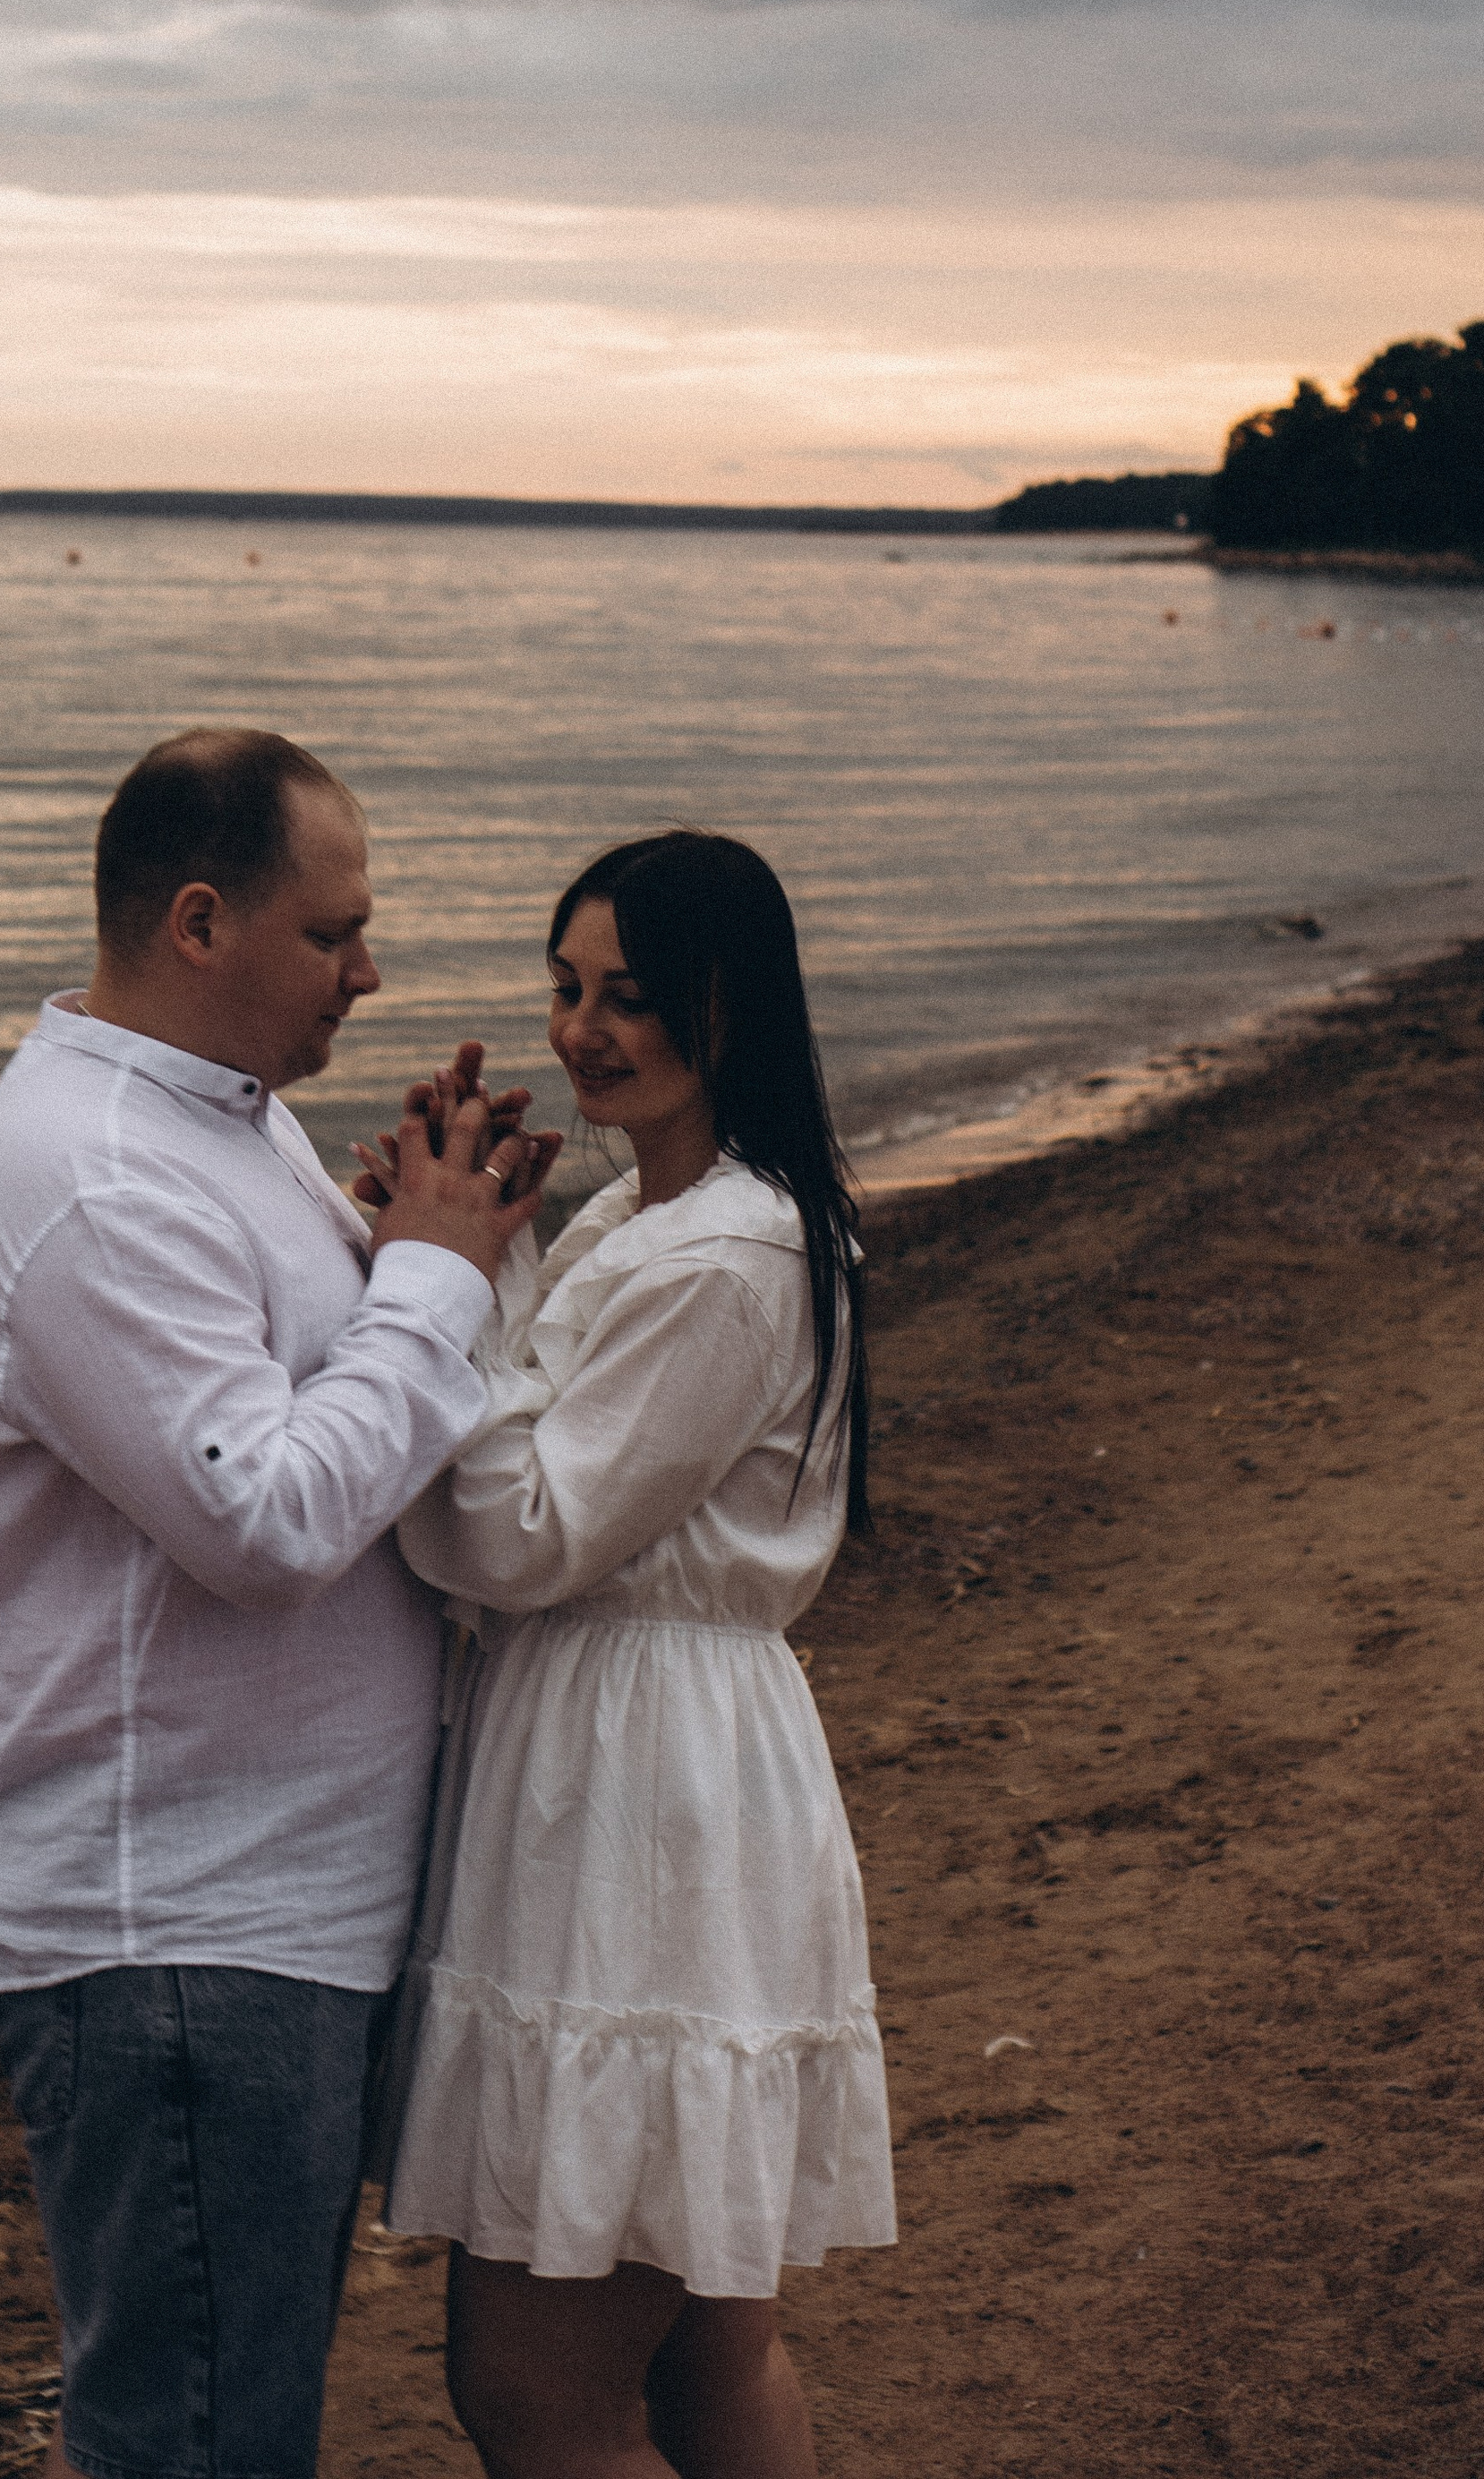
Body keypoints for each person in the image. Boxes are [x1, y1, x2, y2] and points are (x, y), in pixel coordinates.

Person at [0, 727, 559, 2479]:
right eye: (332, 933)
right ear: (199, 922)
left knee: (232, 2418)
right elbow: (262, 1518)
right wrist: (429, 1272)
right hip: (176, 1931)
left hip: (258, 1914)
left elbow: (296, 1388)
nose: (371, 969)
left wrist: (411, 1230)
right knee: (201, 2443)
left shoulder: (223, 1120)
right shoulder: (96, 1177)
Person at [363, 830, 896, 2479]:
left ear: (726, 1009)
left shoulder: (725, 1255)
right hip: (656, 1750)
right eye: (565, 989)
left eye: (630, 999)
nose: (582, 1032)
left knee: (535, 2390)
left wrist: (435, 1280)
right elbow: (558, 1456)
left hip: (636, 1780)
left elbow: (518, 1532)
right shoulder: (659, 1217)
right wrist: (488, 1241)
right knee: (706, 2356)